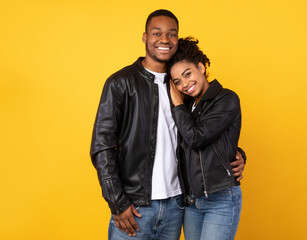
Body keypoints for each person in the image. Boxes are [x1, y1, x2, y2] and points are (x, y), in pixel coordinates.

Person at [90, 10, 246, 240]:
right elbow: (102, 147)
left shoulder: (186, 90)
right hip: (136, 206)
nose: (164, 40)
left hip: (177, 206)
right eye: (157, 33)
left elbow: (202, 137)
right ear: (145, 37)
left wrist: (237, 154)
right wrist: (117, 202)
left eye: (171, 34)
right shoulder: (121, 83)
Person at [168, 37, 243, 240]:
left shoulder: (226, 99)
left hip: (220, 199)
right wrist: (239, 153)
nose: (185, 84)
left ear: (201, 67)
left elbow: (196, 137)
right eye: (177, 82)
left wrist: (177, 104)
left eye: (187, 74)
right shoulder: (189, 108)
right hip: (192, 202)